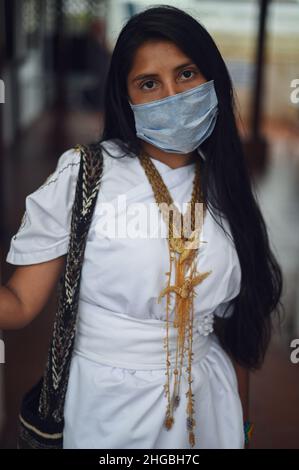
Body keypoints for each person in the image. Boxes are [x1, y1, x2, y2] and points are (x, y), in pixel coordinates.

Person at [0, 5, 283, 449]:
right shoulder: (86, 174)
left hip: (208, 408)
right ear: (126, 98)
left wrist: (240, 428)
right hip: (108, 408)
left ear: (211, 78)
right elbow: (16, 304)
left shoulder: (227, 184)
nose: (172, 94)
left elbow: (235, 333)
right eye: (149, 83)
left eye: (186, 74)